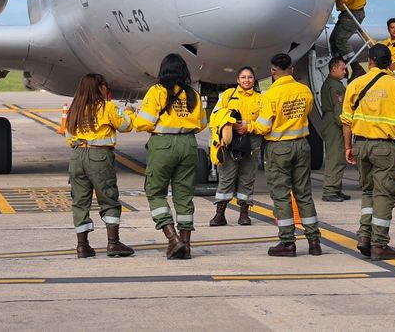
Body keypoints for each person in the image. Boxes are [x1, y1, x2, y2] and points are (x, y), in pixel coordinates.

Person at [341, 43, 395, 260]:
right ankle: (379, 243)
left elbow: (346, 121)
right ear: (389, 63)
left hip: (361, 145)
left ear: (370, 62)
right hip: (385, 147)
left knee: (368, 191)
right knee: (384, 194)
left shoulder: (355, 84)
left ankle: (364, 236)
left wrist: (348, 147)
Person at [242, 53, 322, 257]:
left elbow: (264, 126)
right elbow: (307, 112)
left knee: (281, 194)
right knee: (304, 193)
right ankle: (314, 241)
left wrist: (248, 126)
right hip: (302, 145)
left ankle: (287, 242)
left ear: (272, 71)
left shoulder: (270, 95)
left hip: (279, 148)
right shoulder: (304, 90)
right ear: (292, 70)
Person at [134, 54, 207, 259]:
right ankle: (186, 245)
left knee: (155, 192)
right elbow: (202, 124)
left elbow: (144, 123)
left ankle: (173, 239)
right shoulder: (192, 94)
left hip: (163, 144)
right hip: (188, 143)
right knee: (184, 195)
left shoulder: (157, 92)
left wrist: (135, 115)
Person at [65, 73, 137, 258]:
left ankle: (82, 246)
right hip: (99, 157)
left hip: (77, 156)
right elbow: (126, 126)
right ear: (98, 88)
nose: (107, 88)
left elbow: (69, 137)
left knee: (80, 202)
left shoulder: (75, 109)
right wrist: (129, 111)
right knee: (108, 198)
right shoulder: (108, 107)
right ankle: (113, 243)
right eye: (105, 85)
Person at [208, 66, 263, 226]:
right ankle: (220, 215)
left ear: (254, 79)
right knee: (226, 176)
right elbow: (215, 116)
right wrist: (228, 125)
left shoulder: (260, 99)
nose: (247, 80)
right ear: (238, 80)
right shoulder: (228, 95)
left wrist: (248, 126)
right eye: (243, 77)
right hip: (230, 141)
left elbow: (265, 122)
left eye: (250, 77)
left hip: (251, 141)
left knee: (247, 177)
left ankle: (244, 214)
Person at [319, 56, 350, 202]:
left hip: (329, 121)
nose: (345, 72)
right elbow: (339, 109)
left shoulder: (331, 83)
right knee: (335, 158)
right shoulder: (336, 87)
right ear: (333, 69)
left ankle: (336, 189)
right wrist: (344, 125)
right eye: (342, 69)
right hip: (334, 124)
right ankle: (330, 191)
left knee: (337, 156)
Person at [330, 0, 367, 78]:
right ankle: (341, 68)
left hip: (354, 12)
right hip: (346, 13)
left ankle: (356, 68)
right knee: (333, 40)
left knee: (340, 39)